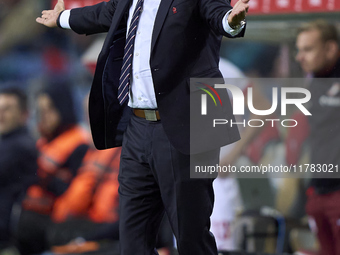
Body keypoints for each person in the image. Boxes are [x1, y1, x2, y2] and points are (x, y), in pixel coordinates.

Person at [36, 0, 249, 254]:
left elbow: (218, 15)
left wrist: (231, 22)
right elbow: (104, 12)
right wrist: (62, 18)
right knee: (133, 239)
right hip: (137, 127)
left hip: (186, 125)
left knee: (190, 235)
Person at [17, 82, 89, 255]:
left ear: (62, 108)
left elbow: (74, 192)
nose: (44, 116)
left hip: (57, 223)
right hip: (32, 216)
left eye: (50, 109)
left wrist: (41, 176)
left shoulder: (79, 143)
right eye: (41, 111)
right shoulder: (43, 140)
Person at [295, 19, 340, 255]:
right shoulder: (313, 82)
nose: (299, 57)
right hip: (317, 191)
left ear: (331, 48)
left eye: (308, 49)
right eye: (298, 50)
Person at [0, 87, 37, 250]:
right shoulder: (7, 142)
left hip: (8, 236)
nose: (1, 114)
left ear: (24, 115)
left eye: (7, 109)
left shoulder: (22, 146)